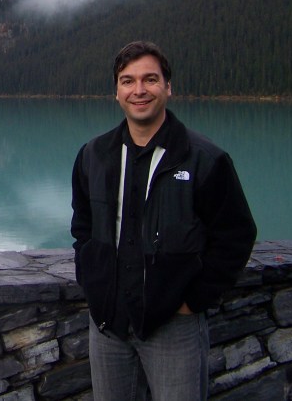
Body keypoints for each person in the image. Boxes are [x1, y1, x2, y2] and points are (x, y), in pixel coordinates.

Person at [70, 41, 257, 400]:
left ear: (168, 87)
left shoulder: (204, 159)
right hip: (108, 324)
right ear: (116, 91)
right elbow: (83, 226)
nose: (138, 90)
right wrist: (91, 276)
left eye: (150, 79)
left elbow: (235, 235)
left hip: (174, 326)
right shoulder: (94, 155)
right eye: (127, 81)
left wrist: (193, 301)